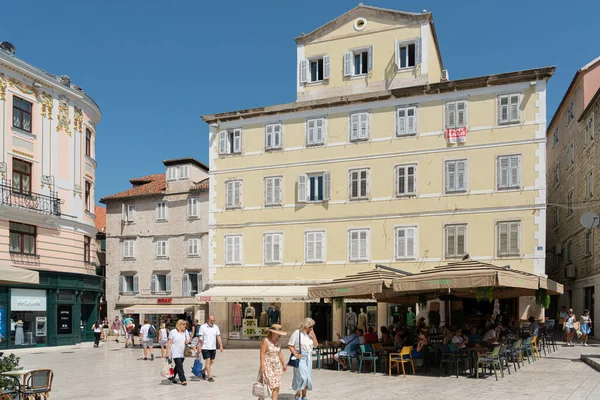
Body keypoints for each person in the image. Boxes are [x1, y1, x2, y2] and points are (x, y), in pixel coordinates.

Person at [288, 318, 318, 400]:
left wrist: (314, 336)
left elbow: (315, 345)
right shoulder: (297, 333)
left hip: (308, 358)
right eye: (310, 327)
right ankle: (298, 392)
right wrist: (295, 354)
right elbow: (290, 345)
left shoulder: (310, 335)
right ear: (306, 326)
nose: (312, 329)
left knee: (307, 378)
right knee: (302, 377)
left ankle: (304, 396)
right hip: (300, 358)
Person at [258, 324, 288, 400]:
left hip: (276, 365)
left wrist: (283, 364)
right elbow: (262, 354)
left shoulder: (279, 341)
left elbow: (280, 353)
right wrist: (262, 366)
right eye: (277, 333)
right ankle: (261, 398)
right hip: (267, 364)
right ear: (273, 332)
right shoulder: (265, 340)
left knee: (277, 384)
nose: (278, 335)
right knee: (267, 384)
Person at [165, 319, 191, 386]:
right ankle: (183, 380)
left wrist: (187, 341)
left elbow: (188, 339)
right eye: (183, 324)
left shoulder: (186, 331)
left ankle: (172, 377)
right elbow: (170, 342)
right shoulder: (173, 332)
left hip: (183, 351)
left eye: (185, 324)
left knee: (178, 366)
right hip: (175, 351)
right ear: (179, 325)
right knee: (180, 365)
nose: (185, 326)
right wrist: (167, 352)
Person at [199, 316, 224, 382]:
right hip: (205, 347)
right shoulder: (203, 327)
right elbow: (200, 338)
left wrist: (221, 345)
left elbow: (218, 336)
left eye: (213, 320)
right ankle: (210, 377)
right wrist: (199, 348)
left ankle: (203, 371)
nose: (212, 321)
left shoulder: (216, 327)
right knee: (207, 360)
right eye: (211, 320)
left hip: (213, 347)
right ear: (208, 320)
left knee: (212, 361)